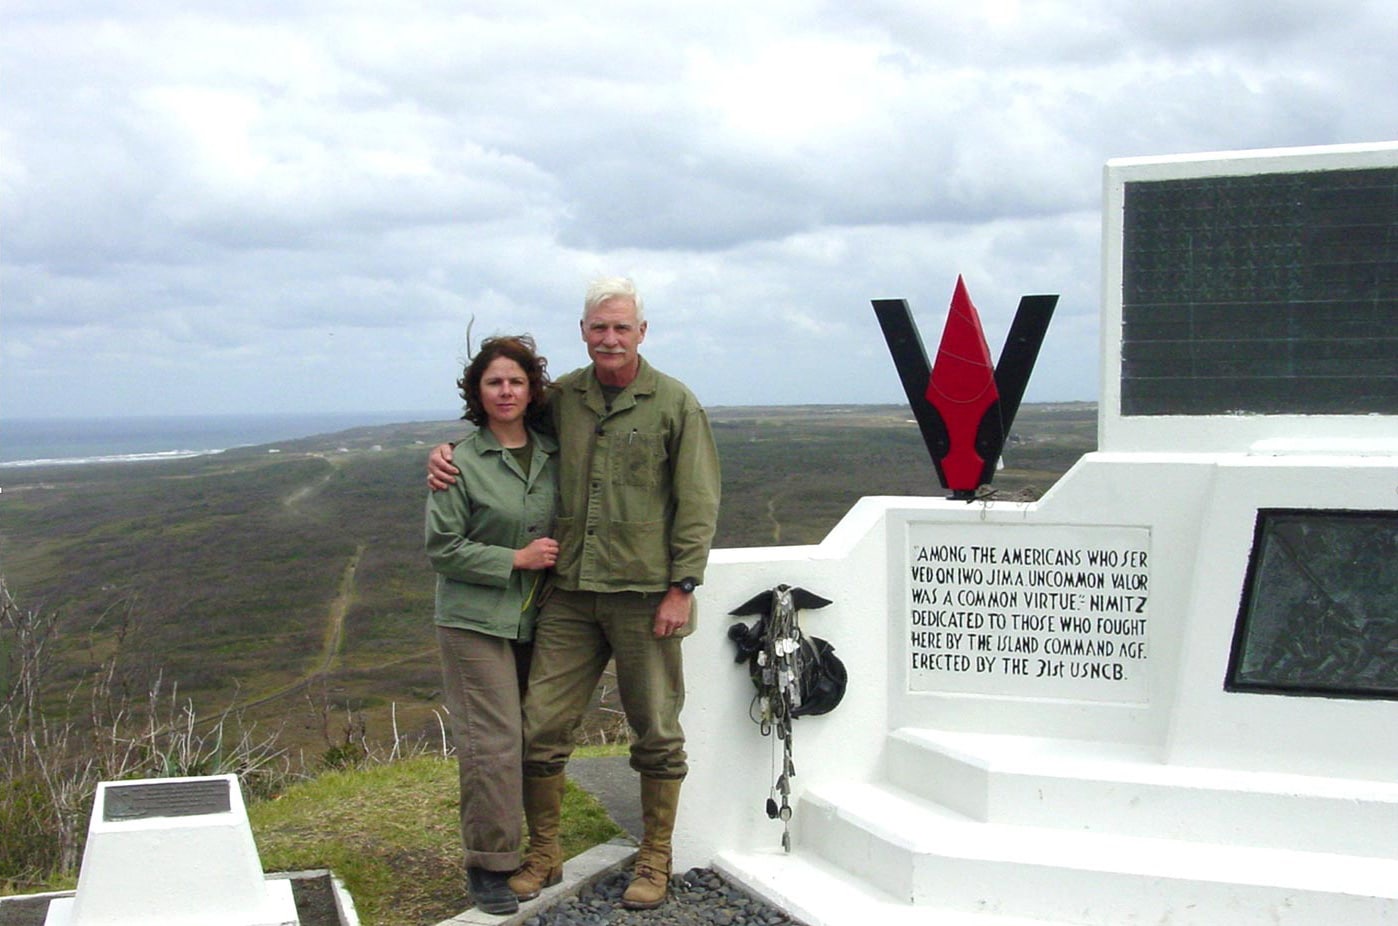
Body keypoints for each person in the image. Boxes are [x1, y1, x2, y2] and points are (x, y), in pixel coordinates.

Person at [427, 277, 721, 909]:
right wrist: (442, 454)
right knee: (540, 729)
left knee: (656, 730)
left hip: (646, 595)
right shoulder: (560, 399)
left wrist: (683, 587)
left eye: (621, 327)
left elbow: (698, 504)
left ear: (642, 332)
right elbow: (495, 426)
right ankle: (544, 851)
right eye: (598, 328)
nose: (609, 338)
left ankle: (655, 856)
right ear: (583, 332)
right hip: (569, 596)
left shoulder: (675, 404)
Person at [424, 335, 560, 917]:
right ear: (477, 393)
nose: (506, 391)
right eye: (493, 382)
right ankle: (489, 863)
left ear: (532, 391)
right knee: (494, 742)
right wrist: (515, 559)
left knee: (535, 735)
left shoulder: (557, 452)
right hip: (474, 619)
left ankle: (538, 849)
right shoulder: (459, 460)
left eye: (516, 381)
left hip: (540, 617)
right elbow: (443, 548)